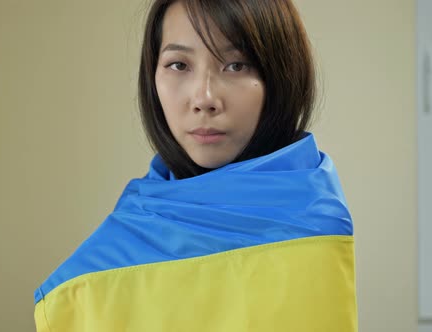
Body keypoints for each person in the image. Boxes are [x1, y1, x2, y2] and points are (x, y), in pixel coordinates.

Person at [34, 0, 357, 331]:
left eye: (236, 65)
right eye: (178, 65)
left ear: (282, 75)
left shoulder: (314, 223)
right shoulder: (86, 278)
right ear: (152, 75)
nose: (204, 98)